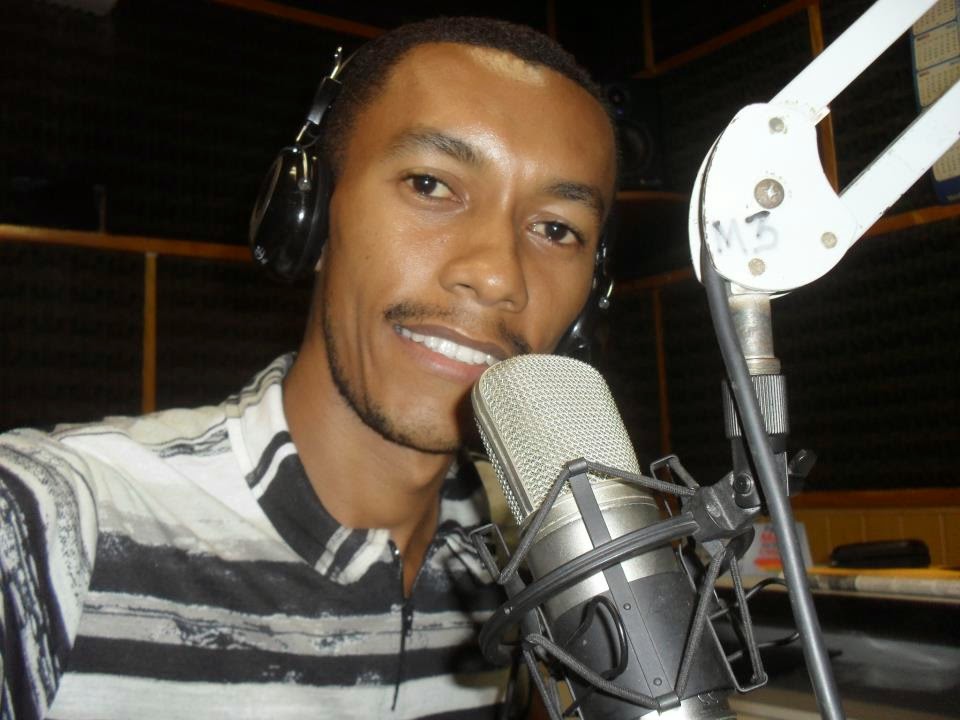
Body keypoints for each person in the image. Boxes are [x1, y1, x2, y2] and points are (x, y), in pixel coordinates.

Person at [0, 16, 618, 720]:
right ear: (312, 217)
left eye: (556, 229)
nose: (499, 275)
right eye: (430, 184)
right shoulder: (45, 523)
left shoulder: (531, 560)